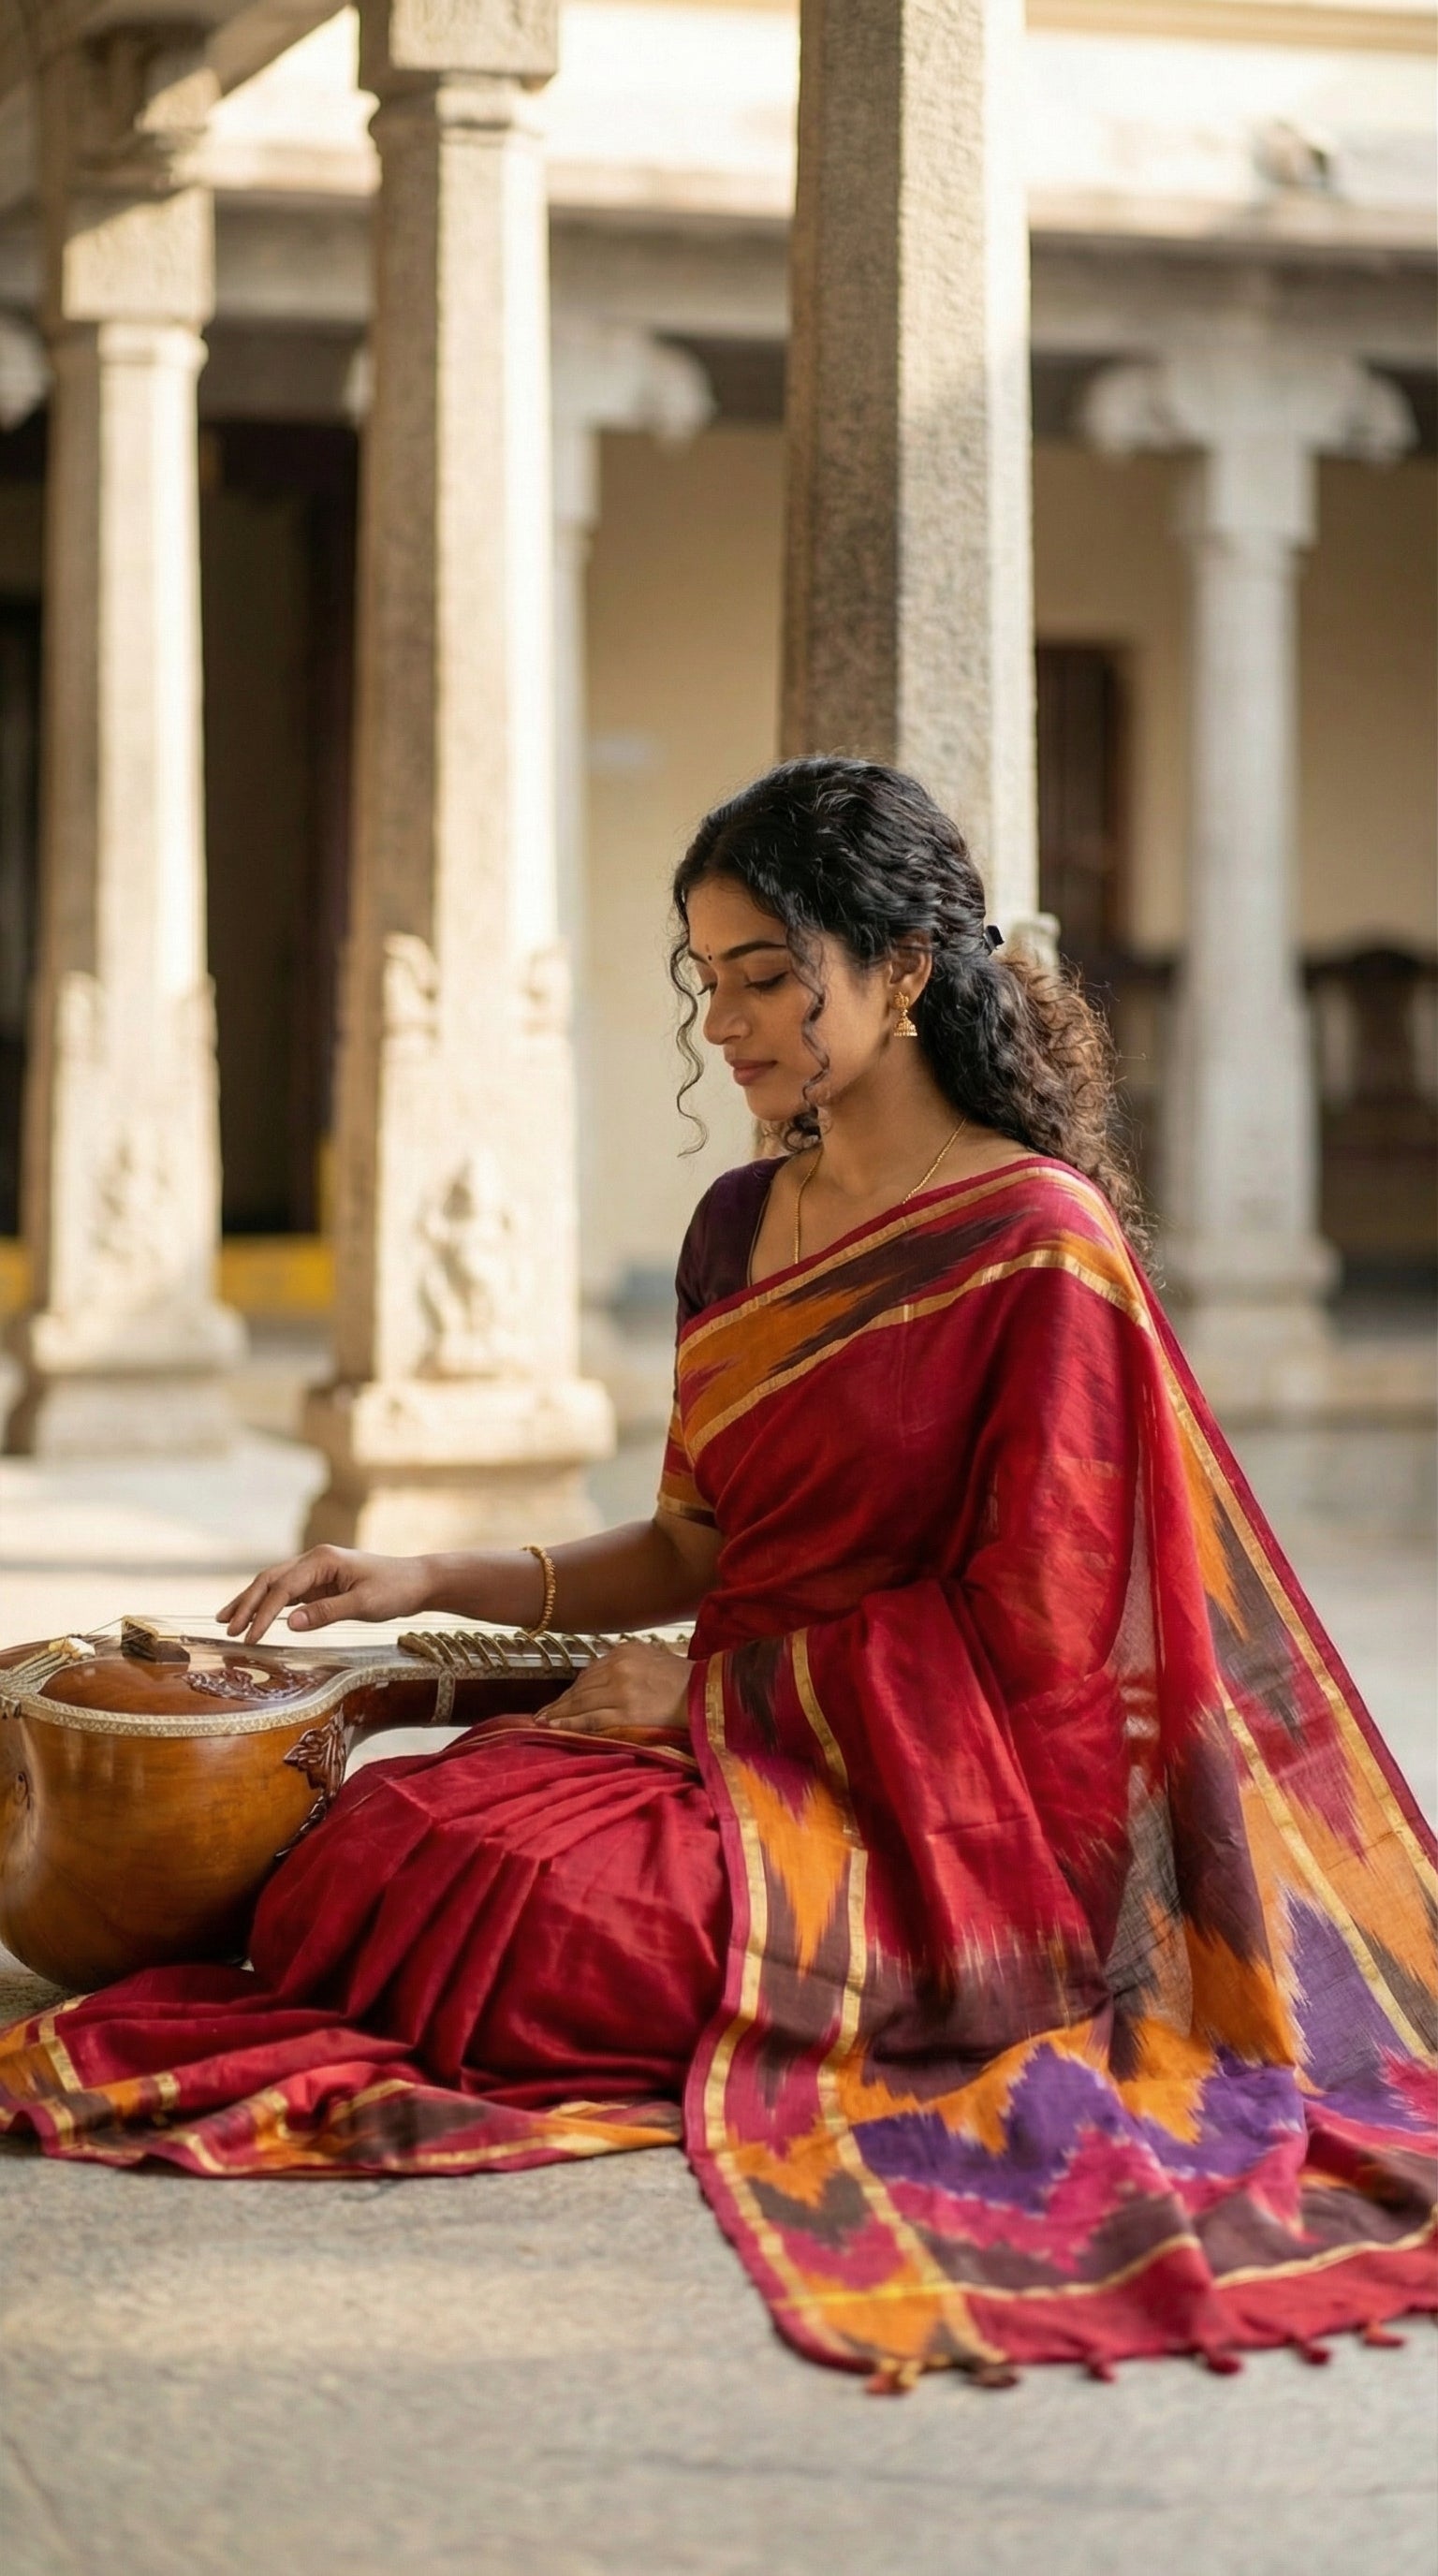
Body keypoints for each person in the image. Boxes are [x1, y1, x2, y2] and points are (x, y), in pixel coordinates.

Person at [3, 759, 1433, 2385]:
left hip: (925, 1815)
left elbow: (1031, 1647)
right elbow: (694, 1543)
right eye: (711, 981)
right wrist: (419, 1576)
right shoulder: (737, 1225)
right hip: (723, 1751)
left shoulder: (1036, 1247)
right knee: (391, 1837)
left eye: (768, 977)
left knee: (541, 1915)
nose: (725, 1024)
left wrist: (717, 1690)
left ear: (901, 970)